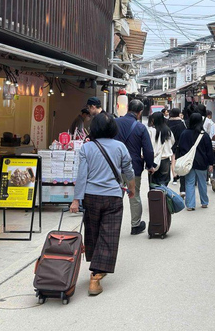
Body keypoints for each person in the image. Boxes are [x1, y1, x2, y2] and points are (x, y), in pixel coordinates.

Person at [70, 112, 136, 296]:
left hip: (91, 197)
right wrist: (132, 189)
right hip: (113, 197)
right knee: (109, 234)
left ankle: (96, 265)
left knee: (93, 231)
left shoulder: (87, 148)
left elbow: (82, 176)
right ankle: (96, 275)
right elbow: (128, 171)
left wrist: (76, 199)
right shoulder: (120, 147)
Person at [114, 99, 155, 235]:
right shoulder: (140, 127)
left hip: (115, 166)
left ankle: (112, 223)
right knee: (134, 194)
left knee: (115, 195)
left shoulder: (115, 123)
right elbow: (148, 150)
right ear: (139, 112)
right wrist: (150, 165)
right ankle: (135, 225)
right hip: (134, 166)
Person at [177, 113, 214, 210]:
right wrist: (211, 163)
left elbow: (180, 148)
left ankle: (190, 205)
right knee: (202, 183)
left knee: (189, 183)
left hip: (188, 163)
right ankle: (204, 202)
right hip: (202, 162)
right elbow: (209, 151)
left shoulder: (184, 133)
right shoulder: (204, 135)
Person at [147, 112, 174, 186]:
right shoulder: (168, 131)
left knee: (153, 183)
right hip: (165, 160)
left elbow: (148, 146)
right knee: (164, 183)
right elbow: (172, 142)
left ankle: (154, 197)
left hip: (154, 160)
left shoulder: (151, 131)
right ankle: (163, 197)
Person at [167, 108, 188, 195]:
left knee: (173, 160)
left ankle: (174, 177)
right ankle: (178, 175)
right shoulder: (181, 123)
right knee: (177, 160)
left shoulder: (167, 123)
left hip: (169, 144)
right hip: (179, 144)